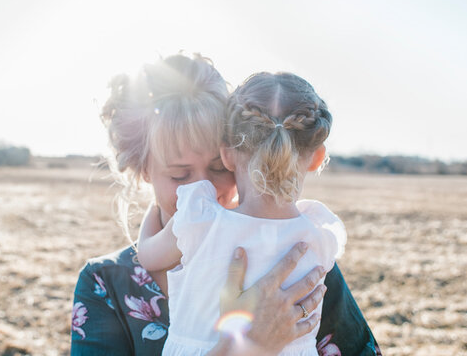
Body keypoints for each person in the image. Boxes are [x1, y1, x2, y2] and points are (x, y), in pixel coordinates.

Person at [71, 53, 381, 355]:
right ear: (143, 170)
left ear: (236, 157)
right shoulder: (105, 283)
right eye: (179, 175)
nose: (201, 191)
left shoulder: (300, 261)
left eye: (218, 167)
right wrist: (248, 347)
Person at [137, 71, 346, 355]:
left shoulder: (200, 220)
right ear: (317, 158)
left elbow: (147, 255)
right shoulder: (320, 234)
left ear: (227, 155)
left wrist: (154, 213)